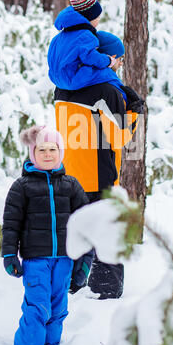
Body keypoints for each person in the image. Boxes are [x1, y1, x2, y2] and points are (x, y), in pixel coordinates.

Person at [1, 124, 92, 345]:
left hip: (64, 259)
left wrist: (84, 262)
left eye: (52, 149)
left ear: (60, 152)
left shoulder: (71, 185)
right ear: (33, 153)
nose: (48, 154)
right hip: (35, 260)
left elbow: (85, 226)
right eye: (42, 150)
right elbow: (11, 224)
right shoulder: (22, 187)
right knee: (37, 307)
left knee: (58, 309)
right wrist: (10, 254)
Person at [55, 80, 144, 299]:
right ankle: (103, 293)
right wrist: (134, 112)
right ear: (109, 57)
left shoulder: (62, 86)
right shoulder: (107, 90)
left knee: (74, 234)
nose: (119, 63)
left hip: (70, 173)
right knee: (106, 236)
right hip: (99, 175)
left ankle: (69, 287)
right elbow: (120, 137)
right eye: (118, 57)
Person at [47, 0, 127, 102]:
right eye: (98, 18)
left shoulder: (58, 37)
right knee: (107, 74)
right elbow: (90, 57)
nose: (99, 21)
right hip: (74, 79)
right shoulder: (85, 36)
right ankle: (124, 98)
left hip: (57, 80)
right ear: (89, 19)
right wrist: (108, 61)